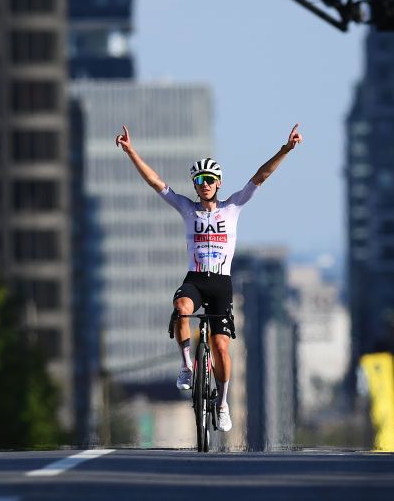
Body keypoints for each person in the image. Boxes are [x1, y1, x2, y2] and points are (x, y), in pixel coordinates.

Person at [115, 123, 303, 433]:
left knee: (220, 348)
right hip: (196, 279)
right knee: (181, 308)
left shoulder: (232, 207)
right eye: (200, 180)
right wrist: (132, 152)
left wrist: (285, 149)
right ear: (195, 184)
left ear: (218, 183)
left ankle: (223, 402)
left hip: (221, 284)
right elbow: (156, 182)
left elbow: (261, 176)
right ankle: (187, 365)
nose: (204, 184)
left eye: (210, 180)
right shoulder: (187, 209)